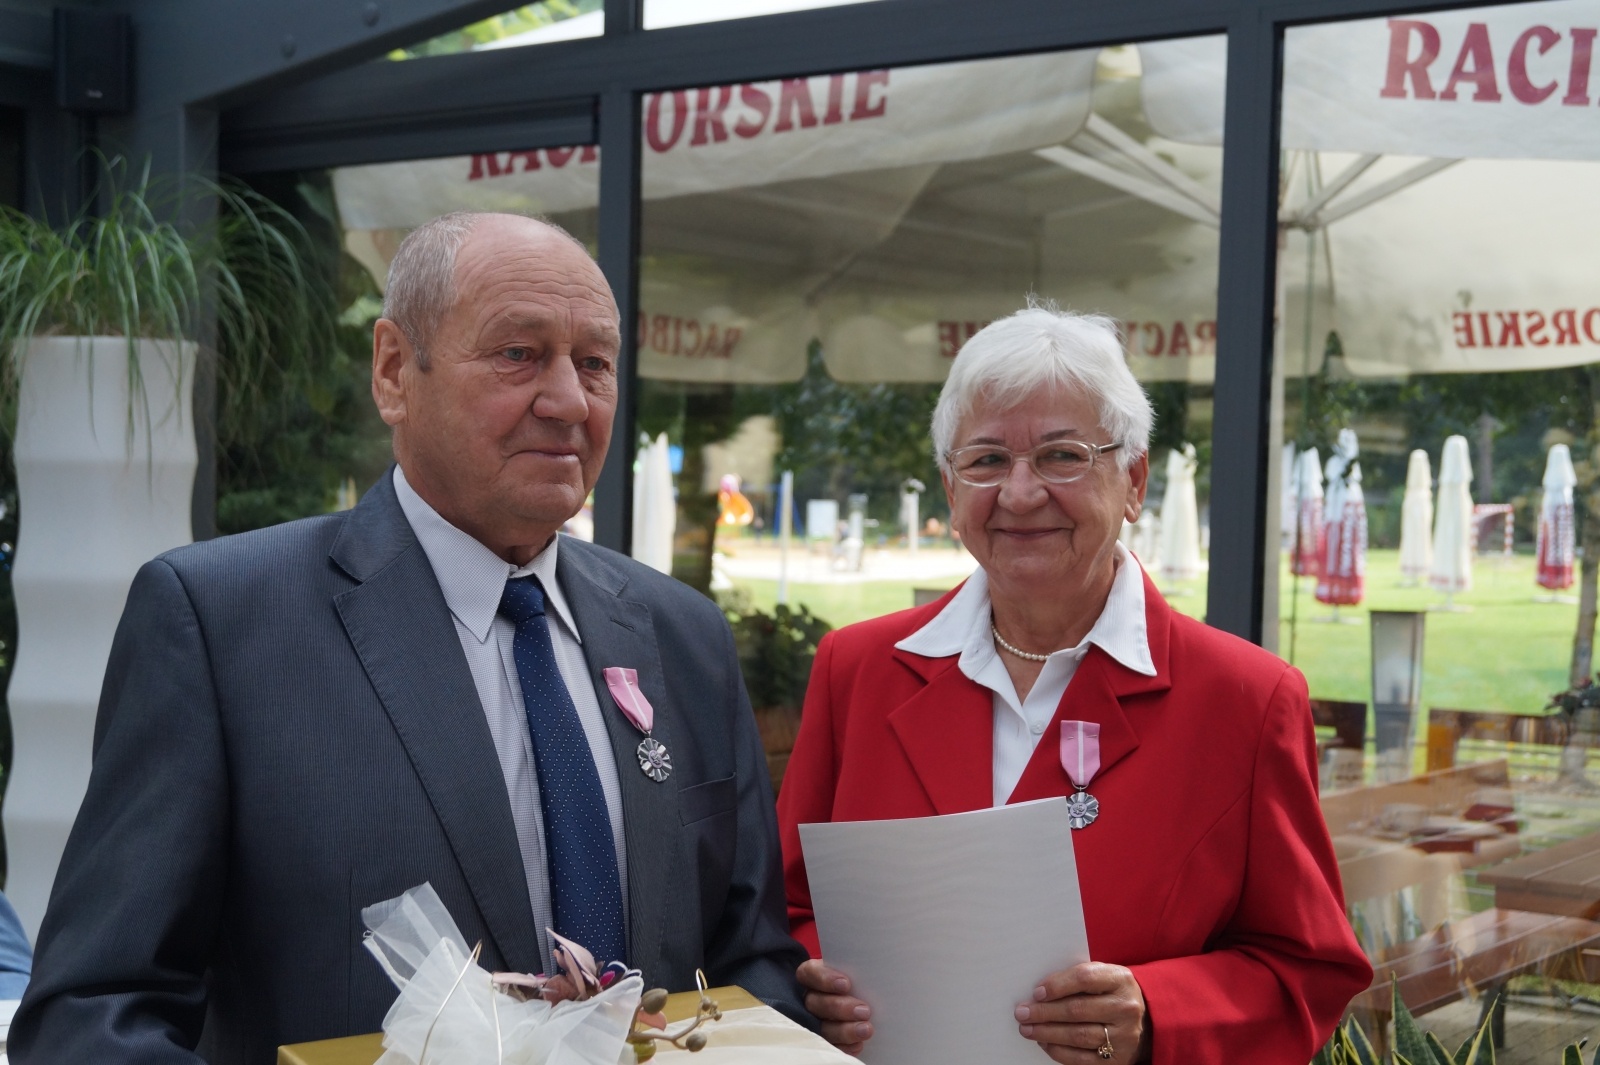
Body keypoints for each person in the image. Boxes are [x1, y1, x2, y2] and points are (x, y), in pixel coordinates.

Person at [13, 212, 806, 1064]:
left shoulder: (681, 636)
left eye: (595, 363)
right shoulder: (221, 622)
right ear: (394, 370)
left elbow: (748, 963)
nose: (570, 401)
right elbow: (93, 1012)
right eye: (518, 353)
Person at [778, 307, 1371, 1063]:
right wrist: (815, 983)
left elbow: (1307, 972)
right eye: (987, 459)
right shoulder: (858, 670)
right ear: (950, 489)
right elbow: (786, 909)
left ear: (1135, 481)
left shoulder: (1246, 700)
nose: (1021, 492)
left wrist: (1156, 1013)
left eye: (1063, 456)